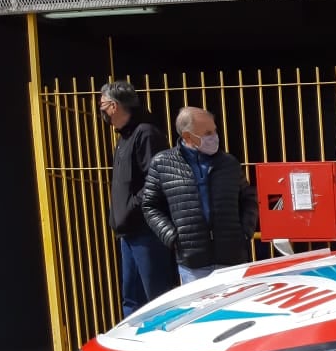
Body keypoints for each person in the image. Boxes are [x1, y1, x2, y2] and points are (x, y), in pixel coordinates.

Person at [141, 107, 259, 284]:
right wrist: (171, 236)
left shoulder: (228, 163)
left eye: (215, 131)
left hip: (232, 258)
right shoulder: (162, 163)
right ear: (188, 137)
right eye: (208, 133)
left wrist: (245, 232)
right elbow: (150, 205)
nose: (214, 137)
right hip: (193, 262)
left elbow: (248, 198)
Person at [100, 81, 177, 316]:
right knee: (132, 300)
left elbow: (156, 179)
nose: (101, 111)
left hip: (147, 230)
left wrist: (132, 207)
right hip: (128, 232)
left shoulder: (146, 133)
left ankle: (164, 349)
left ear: (114, 106)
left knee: (157, 298)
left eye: (102, 105)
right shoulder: (124, 138)